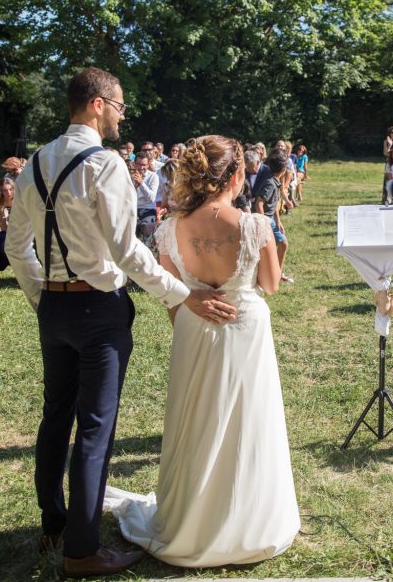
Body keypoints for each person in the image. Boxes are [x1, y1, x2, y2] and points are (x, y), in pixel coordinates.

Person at [6, 67, 236, 578]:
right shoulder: (105, 164)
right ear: (96, 104)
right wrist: (181, 294)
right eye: (119, 105)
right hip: (97, 311)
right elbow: (125, 249)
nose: (121, 114)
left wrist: (41, 297)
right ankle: (83, 551)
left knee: (55, 417)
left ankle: (55, 523)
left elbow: (15, 246)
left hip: (54, 310)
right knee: (94, 428)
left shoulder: (34, 163)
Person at [103, 136, 299, 567]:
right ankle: (247, 520)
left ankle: (191, 516)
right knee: (249, 420)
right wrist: (277, 256)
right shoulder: (254, 225)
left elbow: (174, 295)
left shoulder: (170, 228)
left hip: (192, 328)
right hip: (245, 329)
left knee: (197, 418)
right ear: (234, 174)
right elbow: (268, 284)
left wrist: (191, 323)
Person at [254, 149, 294, 284]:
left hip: (271, 219)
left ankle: (276, 273)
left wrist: (278, 221)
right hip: (265, 219)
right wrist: (263, 224)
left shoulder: (275, 182)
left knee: (282, 244)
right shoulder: (270, 184)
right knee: (281, 244)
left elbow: (275, 203)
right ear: (284, 169)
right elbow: (259, 203)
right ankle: (274, 274)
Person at [133, 153, 160, 249]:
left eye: (144, 165)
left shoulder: (153, 177)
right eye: (139, 164)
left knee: (146, 228)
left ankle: (147, 249)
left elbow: (151, 198)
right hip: (132, 207)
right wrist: (134, 187)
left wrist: (141, 183)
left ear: (148, 165)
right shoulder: (129, 176)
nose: (141, 167)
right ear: (134, 164)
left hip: (147, 208)